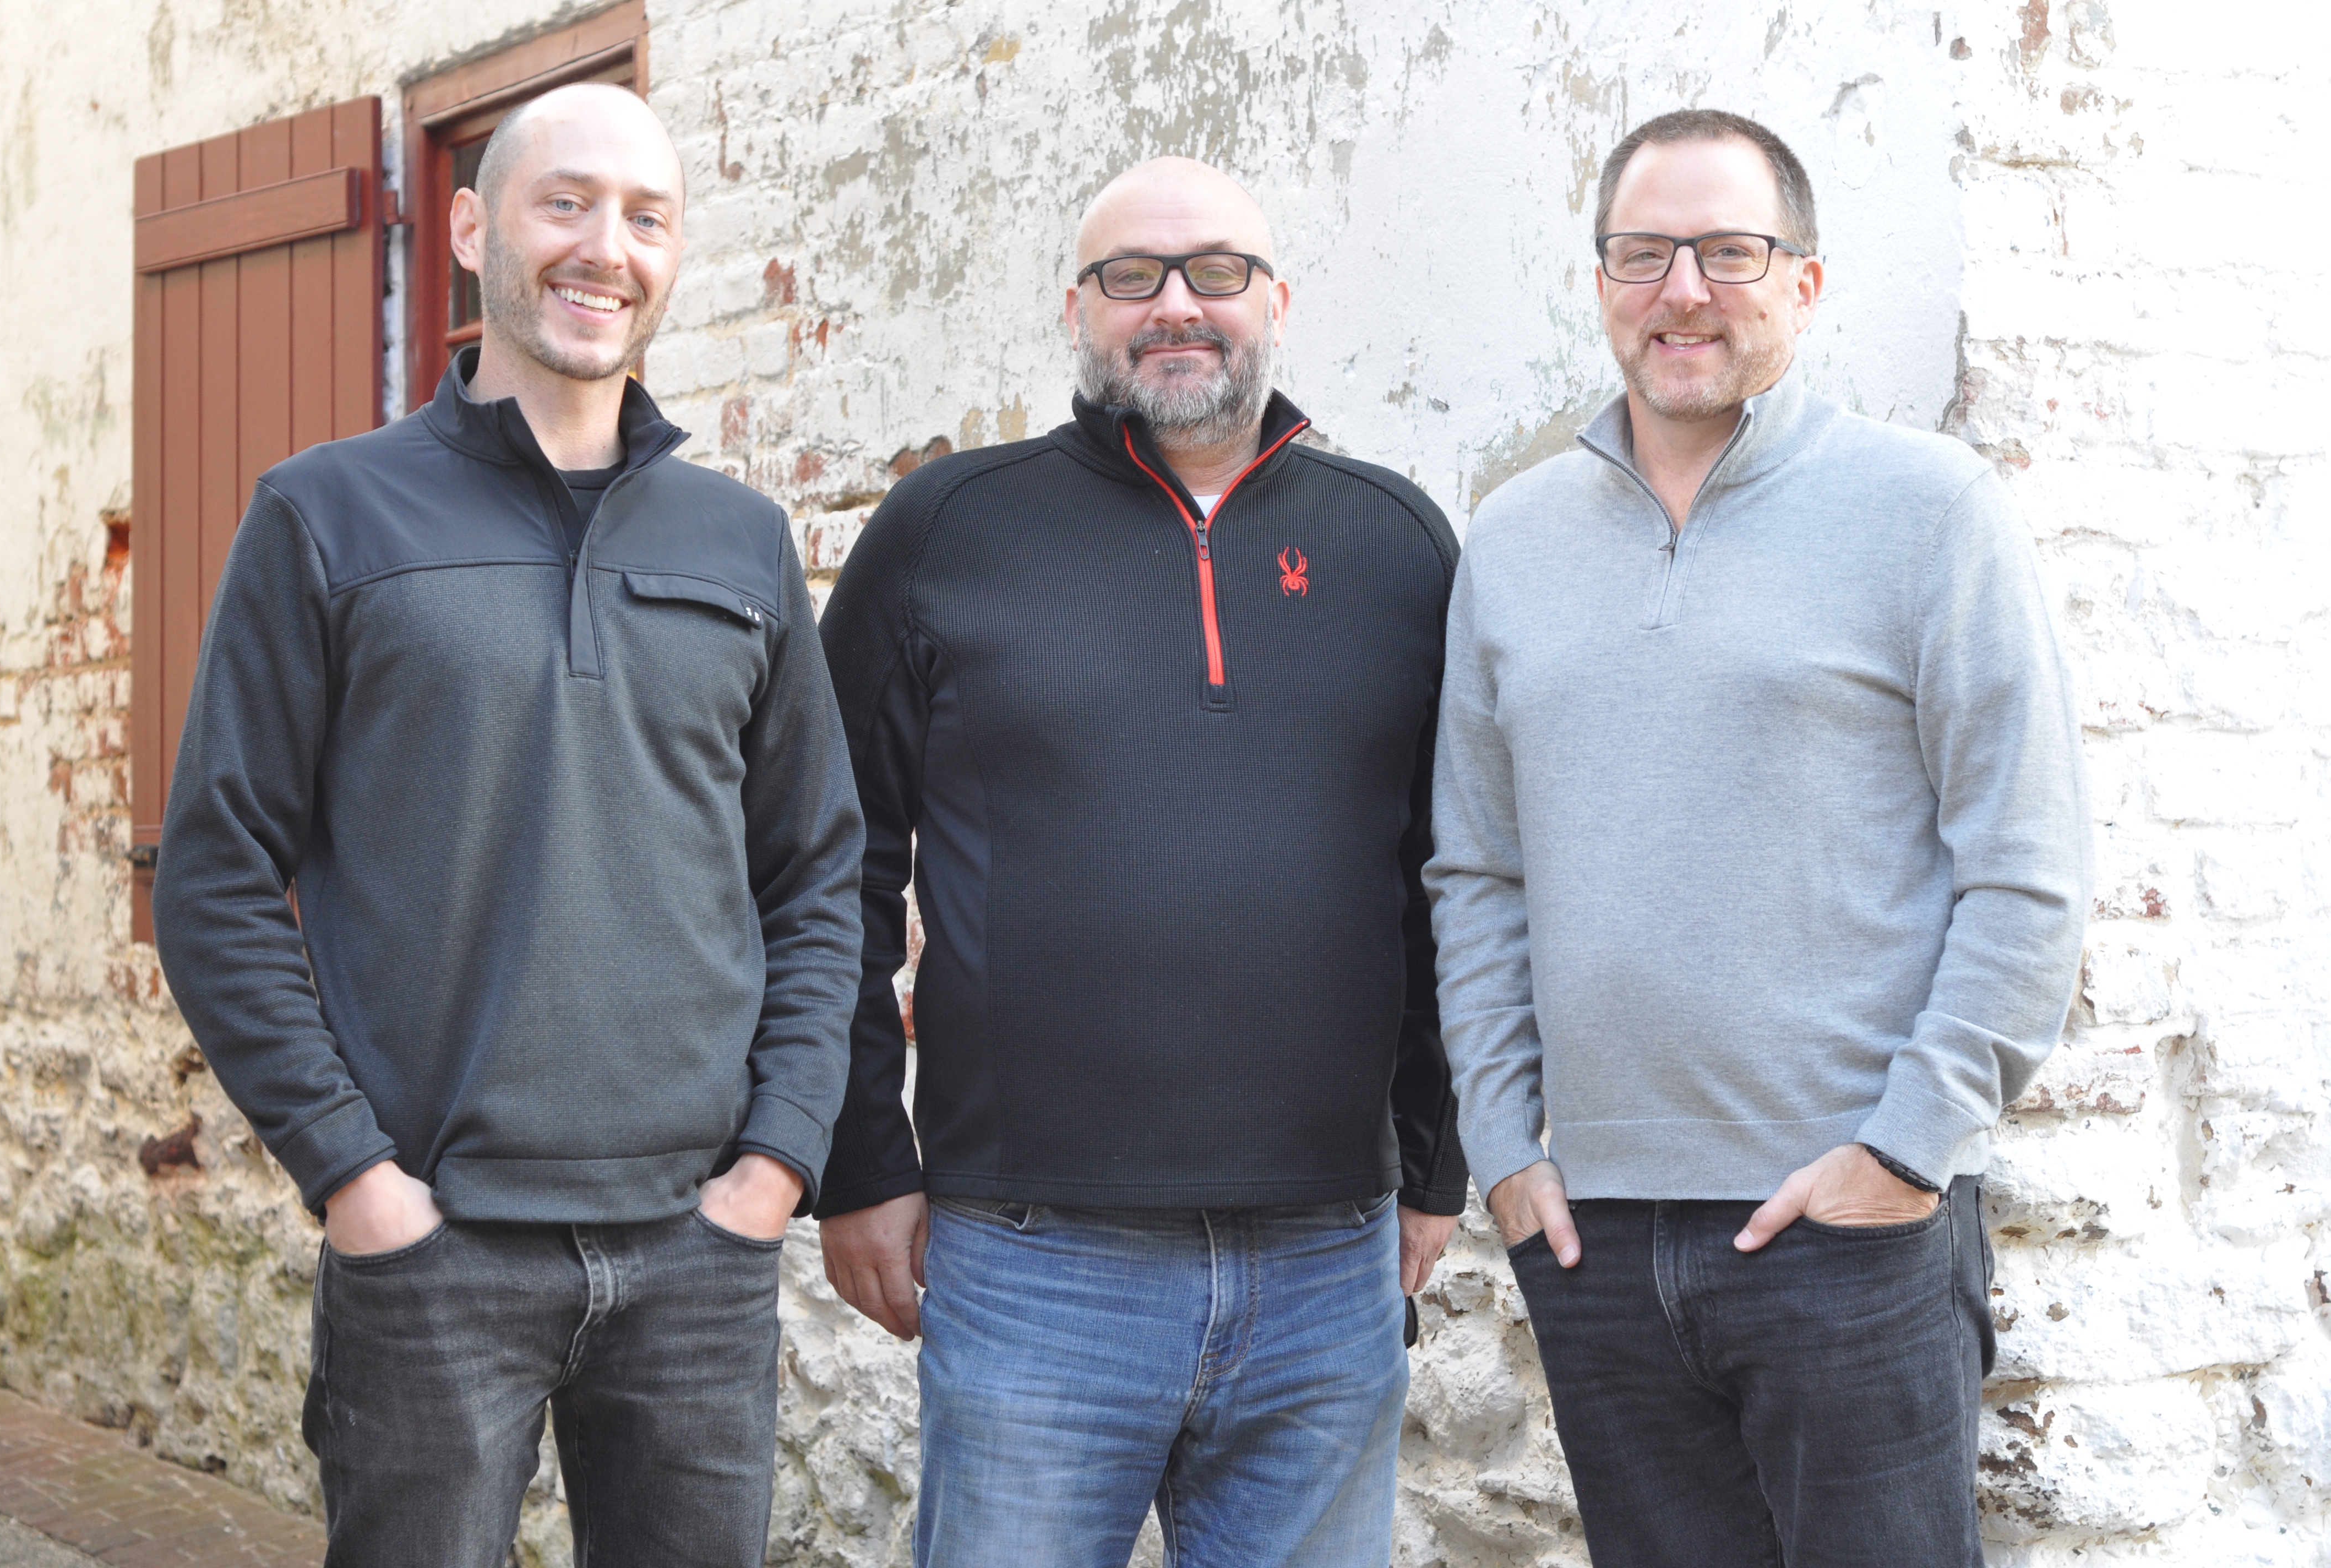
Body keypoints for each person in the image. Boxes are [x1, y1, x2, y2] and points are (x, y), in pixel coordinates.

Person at [151, 83, 863, 1567]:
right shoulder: (327, 517)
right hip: (435, 1249)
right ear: (473, 228)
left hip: (698, 1248)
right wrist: (351, 1173)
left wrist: (778, 1160)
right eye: (567, 203)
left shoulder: (739, 544)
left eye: (647, 217)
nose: (608, 248)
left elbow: (816, 873)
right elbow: (217, 878)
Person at [1426, 108, 2089, 1566]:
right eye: (1644, 253)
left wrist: (1907, 1151)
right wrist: (1503, 1146)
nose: (1683, 290)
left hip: (1851, 1224)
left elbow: (2028, 869)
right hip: (1594, 1232)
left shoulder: (1931, 514)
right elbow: (1475, 871)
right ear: (1601, 280)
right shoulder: (1514, 538)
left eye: (1731, 252)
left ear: (1805, 280)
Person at [813, 156, 1467, 1567]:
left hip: (1322, 1263)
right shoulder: (945, 532)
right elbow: (828, 860)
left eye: (1215, 270)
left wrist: (1433, 1163)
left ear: (1274, 299)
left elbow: (1445, 881)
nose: (1176, 304)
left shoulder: (1399, 546)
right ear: (1076, 309)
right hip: (1035, 1257)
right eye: (1132, 276)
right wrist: (859, 1155)